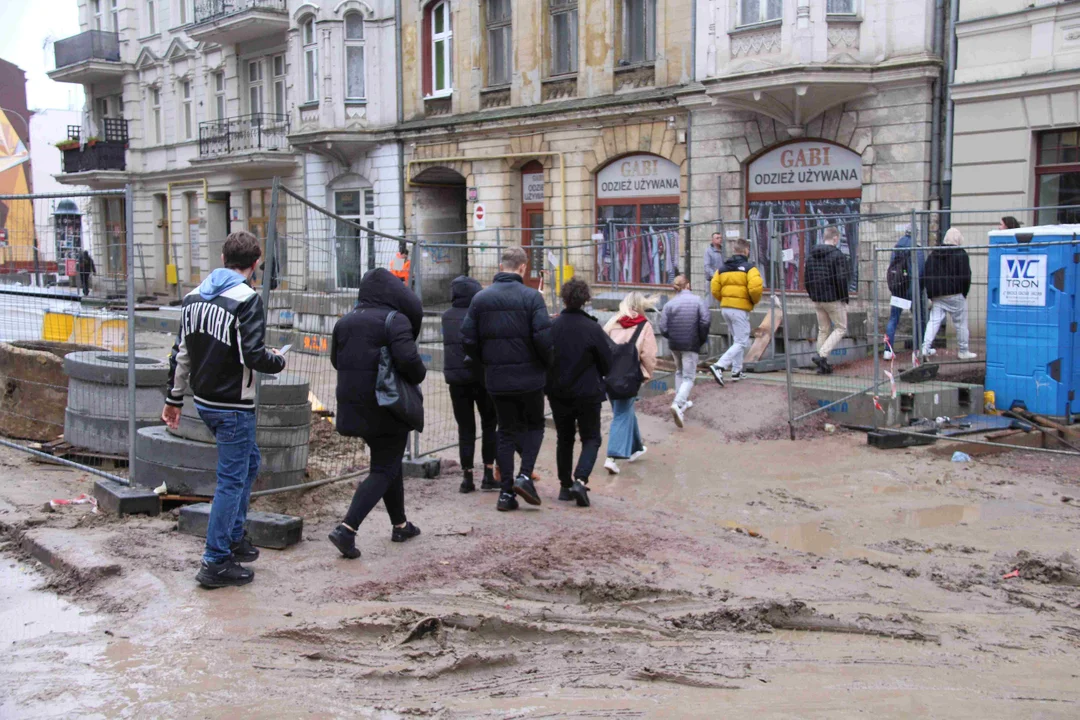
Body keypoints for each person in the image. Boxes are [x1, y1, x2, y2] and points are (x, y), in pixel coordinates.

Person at [162, 231, 287, 588]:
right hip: (233, 404)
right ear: (256, 261)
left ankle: (233, 538)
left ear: (222, 258)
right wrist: (276, 361)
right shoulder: (247, 299)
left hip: (204, 401)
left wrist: (173, 400)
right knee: (231, 481)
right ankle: (215, 560)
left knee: (248, 463)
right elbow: (252, 354)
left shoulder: (193, 296)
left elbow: (181, 354)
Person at [327, 267, 426, 559]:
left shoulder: (343, 323)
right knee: (383, 469)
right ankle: (347, 528)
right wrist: (418, 373)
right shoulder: (395, 321)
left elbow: (335, 361)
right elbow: (411, 363)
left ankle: (400, 524)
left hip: (353, 407)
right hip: (387, 407)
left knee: (388, 464)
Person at [461, 246, 553, 512]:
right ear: (523, 268)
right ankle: (525, 476)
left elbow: (467, 338)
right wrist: (546, 365)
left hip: (497, 378)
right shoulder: (532, 298)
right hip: (530, 378)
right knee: (535, 425)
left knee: (505, 430)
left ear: (502, 266)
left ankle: (506, 494)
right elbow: (544, 339)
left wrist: (485, 361)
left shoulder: (481, 298)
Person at [546, 278, 612, 507]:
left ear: (564, 298)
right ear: (585, 299)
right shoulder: (592, 327)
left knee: (564, 438)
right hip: (588, 393)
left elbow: (544, 358)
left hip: (557, 392)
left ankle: (565, 486)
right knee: (591, 437)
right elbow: (607, 361)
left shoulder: (552, 327)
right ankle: (580, 479)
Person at [441, 275, 497, 494]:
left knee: (465, 428)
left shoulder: (446, 317)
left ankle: (467, 478)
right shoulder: (481, 315)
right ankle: (488, 475)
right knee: (489, 424)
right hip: (482, 378)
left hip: (456, 381)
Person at [603, 292, 658, 475]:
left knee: (625, 410)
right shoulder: (644, 325)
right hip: (630, 377)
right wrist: (645, 374)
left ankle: (636, 448)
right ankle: (612, 457)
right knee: (622, 413)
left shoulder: (612, 323)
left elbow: (601, 347)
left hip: (610, 376)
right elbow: (649, 355)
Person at [708, 239, 763, 389]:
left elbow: (714, 288)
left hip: (725, 308)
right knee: (742, 341)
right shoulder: (750, 269)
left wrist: (724, 299)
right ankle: (719, 366)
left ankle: (736, 371)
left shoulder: (722, 268)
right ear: (746, 251)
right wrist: (751, 301)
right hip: (740, 309)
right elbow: (756, 289)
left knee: (737, 340)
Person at [658, 275, 710, 428]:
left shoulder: (669, 304)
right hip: (691, 343)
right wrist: (700, 338)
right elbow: (705, 321)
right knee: (689, 376)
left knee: (679, 372)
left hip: (674, 344)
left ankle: (681, 400)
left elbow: (663, 327)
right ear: (688, 285)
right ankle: (677, 403)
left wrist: (672, 337)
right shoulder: (698, 301)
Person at [921, 227, 975, 360]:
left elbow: (926, 273)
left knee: (933, 321)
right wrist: (964, 293)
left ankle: (925, 348)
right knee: (961, 324)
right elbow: (966, 276)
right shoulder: (961, 254)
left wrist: (931, 294)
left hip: (938, 295)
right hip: (956, 294)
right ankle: (963, 350)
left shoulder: (934, 254)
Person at [804, 225, 851, 375]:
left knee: (823, 329)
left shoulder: (811, 255)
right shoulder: (838, 255)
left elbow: (807, 278)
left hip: (817, 298)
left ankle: (822, 366)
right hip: (833, 298)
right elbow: (841, 279)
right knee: (841, 328)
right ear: (835, 238)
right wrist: (844, 298)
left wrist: (812, 295)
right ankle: (822, 355)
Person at [884, 226, 927, 360]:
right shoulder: (917, 249)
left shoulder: (896, 248)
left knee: (893, 319)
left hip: (898, 289)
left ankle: (888, 350)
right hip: (912, 290)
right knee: (919, 318)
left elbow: (892, 267)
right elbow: (920, 271)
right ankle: (918, 349)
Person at [703, 232, 725, 306]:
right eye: (717, 238)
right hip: (711, 280)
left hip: (722, 280)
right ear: (712, 240)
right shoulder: (708, 251)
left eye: (720, 238)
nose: (720, 240)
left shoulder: (723, 251)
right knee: (709, 303)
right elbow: (707, 266)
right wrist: (715, 276)